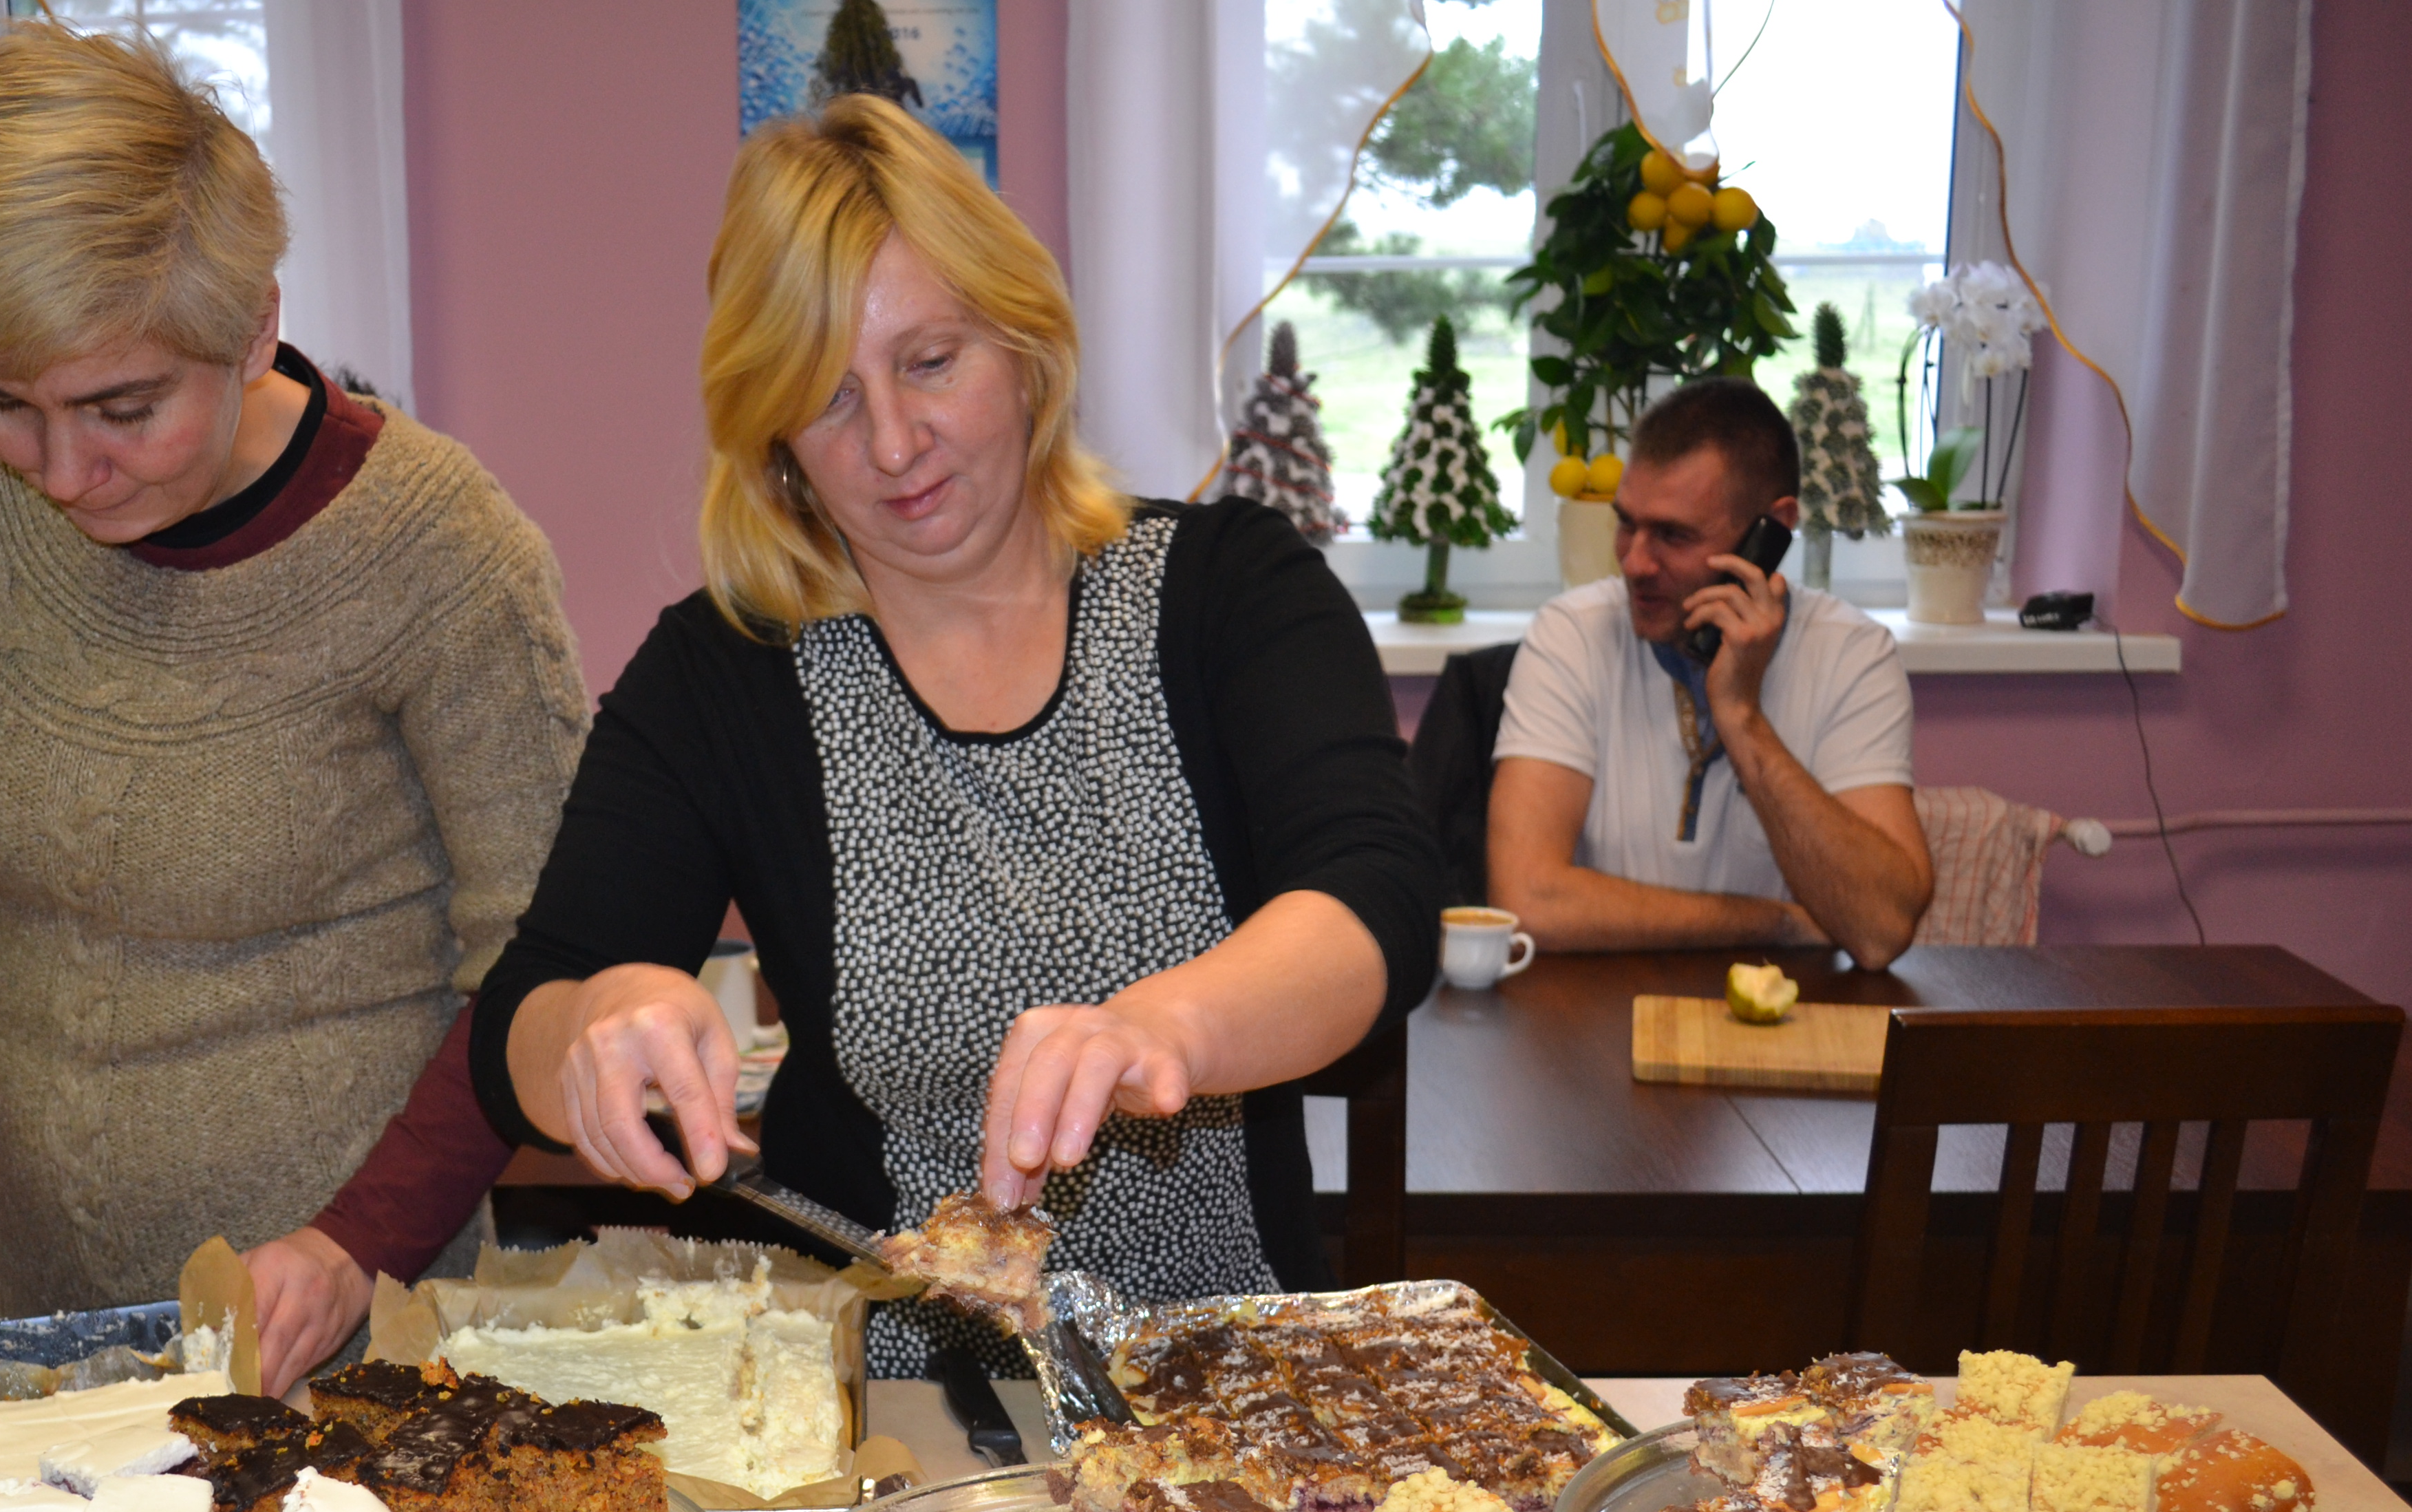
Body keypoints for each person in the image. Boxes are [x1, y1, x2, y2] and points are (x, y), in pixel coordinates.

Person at [467, 97, 1443, 1378]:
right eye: (827, 399)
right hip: (890, 1408)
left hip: (1226, 1370)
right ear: (774, 444)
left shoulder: (1228, 590)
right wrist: (597, 1019)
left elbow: (1376, 897)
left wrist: (1168, 1029)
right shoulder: (726, 674)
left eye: (929, 362)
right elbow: (518, 1024)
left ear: (1025, 347)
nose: (891, 443)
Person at [0, 26, 588, 1391]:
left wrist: (355, 1245)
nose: (60, 470)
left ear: (252, 327)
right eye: (7, 401)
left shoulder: (440, 554)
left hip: (330, 1329)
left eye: (123, 409)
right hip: (18, 1300)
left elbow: (537, 963)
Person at [1486, 379, 1932, 966]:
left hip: (1779, 1011)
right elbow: (1529, 903)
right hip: (1594, 1008)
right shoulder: (1573, 632)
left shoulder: (1851, 653)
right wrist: (1778, 923)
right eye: (1627, 524)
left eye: (1674, 535)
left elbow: (1881, 930)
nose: (1635, 563)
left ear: (1772, 529)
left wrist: (1741, 714)